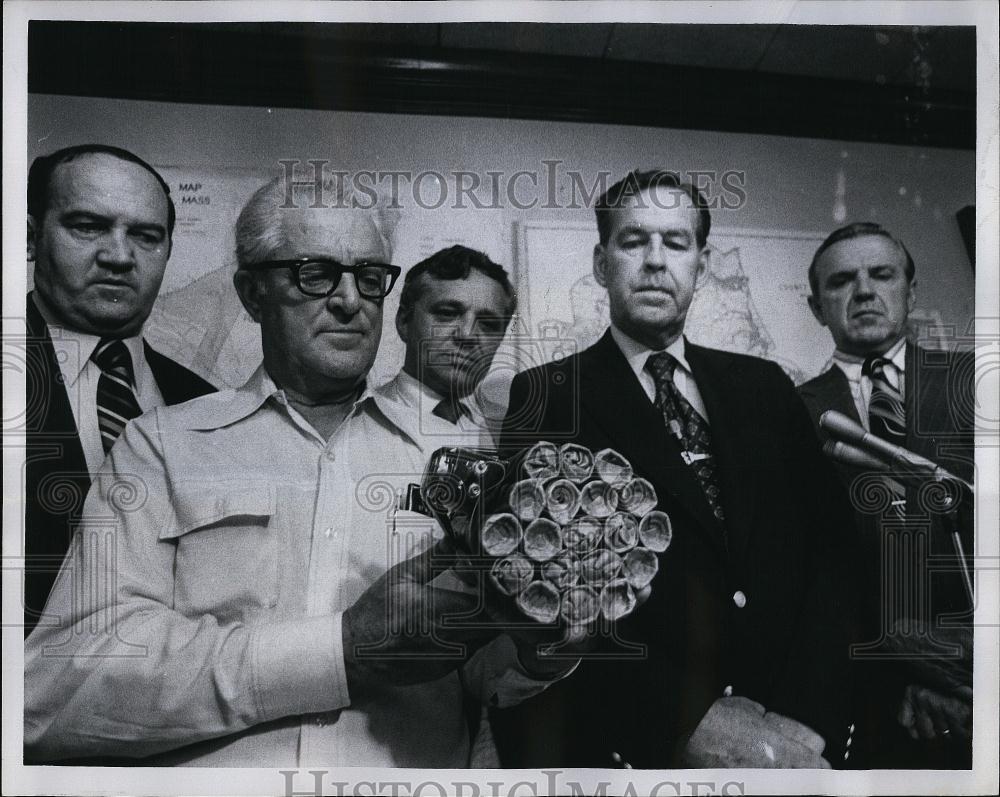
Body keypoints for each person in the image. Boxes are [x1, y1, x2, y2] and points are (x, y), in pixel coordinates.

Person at [24, 175, 568, 767]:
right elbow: (54, 694)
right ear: (253, 293)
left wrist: (542, 643)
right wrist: (342, 650)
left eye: (368, 278)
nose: (349, 300)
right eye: (315, 273)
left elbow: (482, 680)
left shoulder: (459, 471)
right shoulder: (162, 445)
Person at [490, 169, 857, 769]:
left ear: (701, 264)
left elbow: (833, 554)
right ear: (602, 262)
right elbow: (551, 593)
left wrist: (807, 722)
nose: (656, 261)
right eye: (634, 241)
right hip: (652, 744)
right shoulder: (549, 394)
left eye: (676, 242)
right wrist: (688, 726)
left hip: (799, 739)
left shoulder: (765, 387)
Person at [798, 222, 974, 768]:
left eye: (882, 275)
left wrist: (956, 668)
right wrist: (904, 672)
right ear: (816, 306)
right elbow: (804, 577)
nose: (865, 291)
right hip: (872, 700)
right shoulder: (785, 415)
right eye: (842, 281)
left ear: (911, 292)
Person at [24, 144, 215, 634]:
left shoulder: (204, 403)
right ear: (29, 236)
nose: (119, 256)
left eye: (146, 236)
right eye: (87, 227)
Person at [376, 245, 517, 452]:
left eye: (488, 325)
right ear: (404, 321)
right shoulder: (356, 419)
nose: (467, 335)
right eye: (447, 314)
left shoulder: (511, 430)